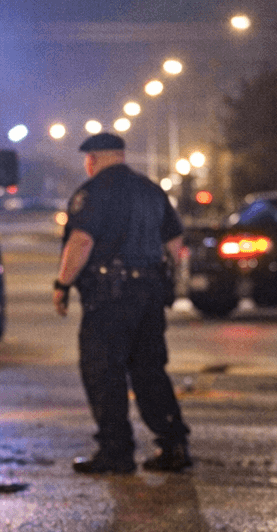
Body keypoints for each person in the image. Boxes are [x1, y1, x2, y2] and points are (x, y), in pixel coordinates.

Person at [53, 131, 192, 474]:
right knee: (149, 370)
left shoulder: (93, 192)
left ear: (93, 159)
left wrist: (62, 284)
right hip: (150, 295)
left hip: (109, 297)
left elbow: (81, 242)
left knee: (104, 371)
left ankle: (116, 451)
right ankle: (174, 445)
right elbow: (175, 245)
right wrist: (171, 285)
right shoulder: (151, 190)